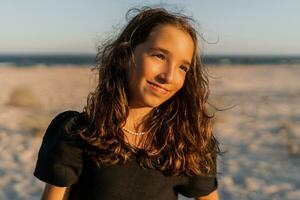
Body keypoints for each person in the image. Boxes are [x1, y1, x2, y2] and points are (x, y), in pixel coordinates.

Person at [34, 6, 220, 200]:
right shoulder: (78, 133)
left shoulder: (187, 141)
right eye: (159, 56)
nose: (169, 76)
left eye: (183, 67)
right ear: (125, 55)